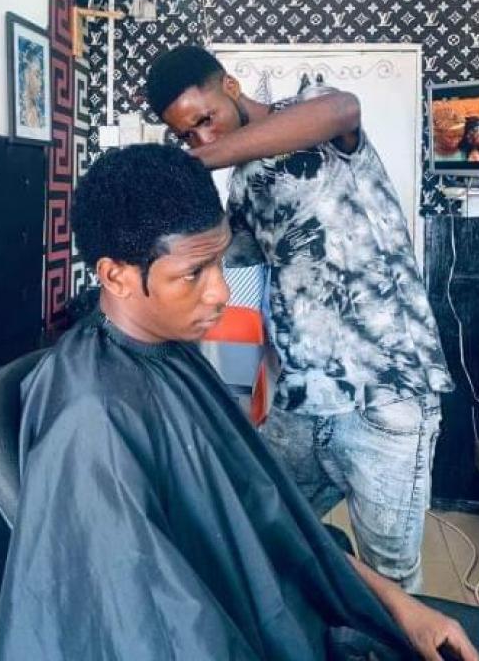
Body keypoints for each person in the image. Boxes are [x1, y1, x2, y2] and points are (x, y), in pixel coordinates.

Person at [0, 144, 479, 661]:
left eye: (220, 263)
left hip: (288, 614)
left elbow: (274, 519)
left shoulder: (175, 357)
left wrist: (400, 604)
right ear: (115, 276)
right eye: (193, 274)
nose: (221, 293)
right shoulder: (92, 420)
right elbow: (155, 629)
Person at [146, 46, 454, 592]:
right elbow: (240, 292)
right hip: (301, 402)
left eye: (204, 120)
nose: (203, 140)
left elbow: (343, 109)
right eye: (187, 137)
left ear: (231, 87)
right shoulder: (240, 189)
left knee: (391, 576)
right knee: (269, 537)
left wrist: (190, 163)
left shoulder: (312, 112)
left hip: (386, 393)